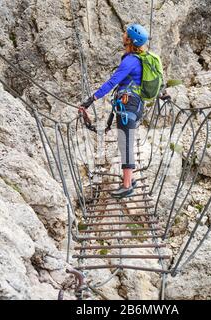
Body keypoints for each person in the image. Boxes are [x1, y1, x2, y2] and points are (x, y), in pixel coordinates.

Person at [79, 23, 149, 198]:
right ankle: (130, 180)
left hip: (127, 106)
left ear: (129, 40)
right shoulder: (141, 58)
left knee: (125, 144)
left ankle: (127, 186)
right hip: (134, 106)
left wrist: (91, 100)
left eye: (125, 33)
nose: (123, 34)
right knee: (125, 143)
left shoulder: (130, 60)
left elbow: (112, 82)